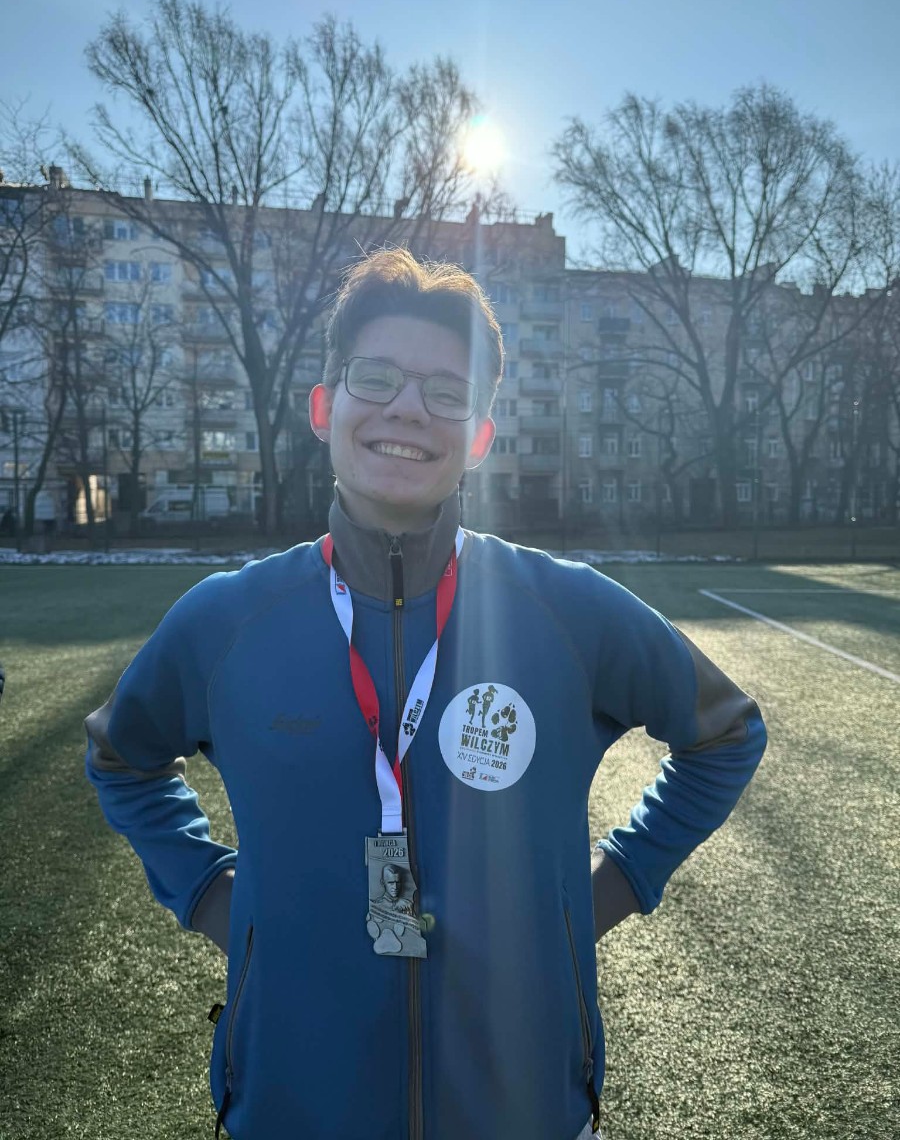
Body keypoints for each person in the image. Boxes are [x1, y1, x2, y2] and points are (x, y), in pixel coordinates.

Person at [85, 249, 767, 1140]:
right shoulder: (228, 621)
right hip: (291, 1109)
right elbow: (122, 759)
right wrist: (213, 894)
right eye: (377, 378)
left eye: (448, 392)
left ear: (479, 436)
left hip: (529, 1112)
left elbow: (726, 735)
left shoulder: (567, 610)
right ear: (325, 407)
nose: (408, 408)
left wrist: (616, 883)